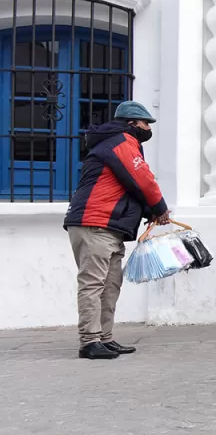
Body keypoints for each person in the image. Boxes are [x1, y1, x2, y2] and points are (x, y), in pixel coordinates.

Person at [63, 101, 170, 360]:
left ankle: (104, 338)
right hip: (94, 222)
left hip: (109, 226)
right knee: (93, 283)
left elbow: (126, 188)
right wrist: (160, 207)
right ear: (132, 122)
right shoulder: (121, 140)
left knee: (111, 284)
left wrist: (150, 211)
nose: (148, 128)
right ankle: (89, 341)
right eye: (146, 123)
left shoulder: (118, 142)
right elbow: (142, 178)